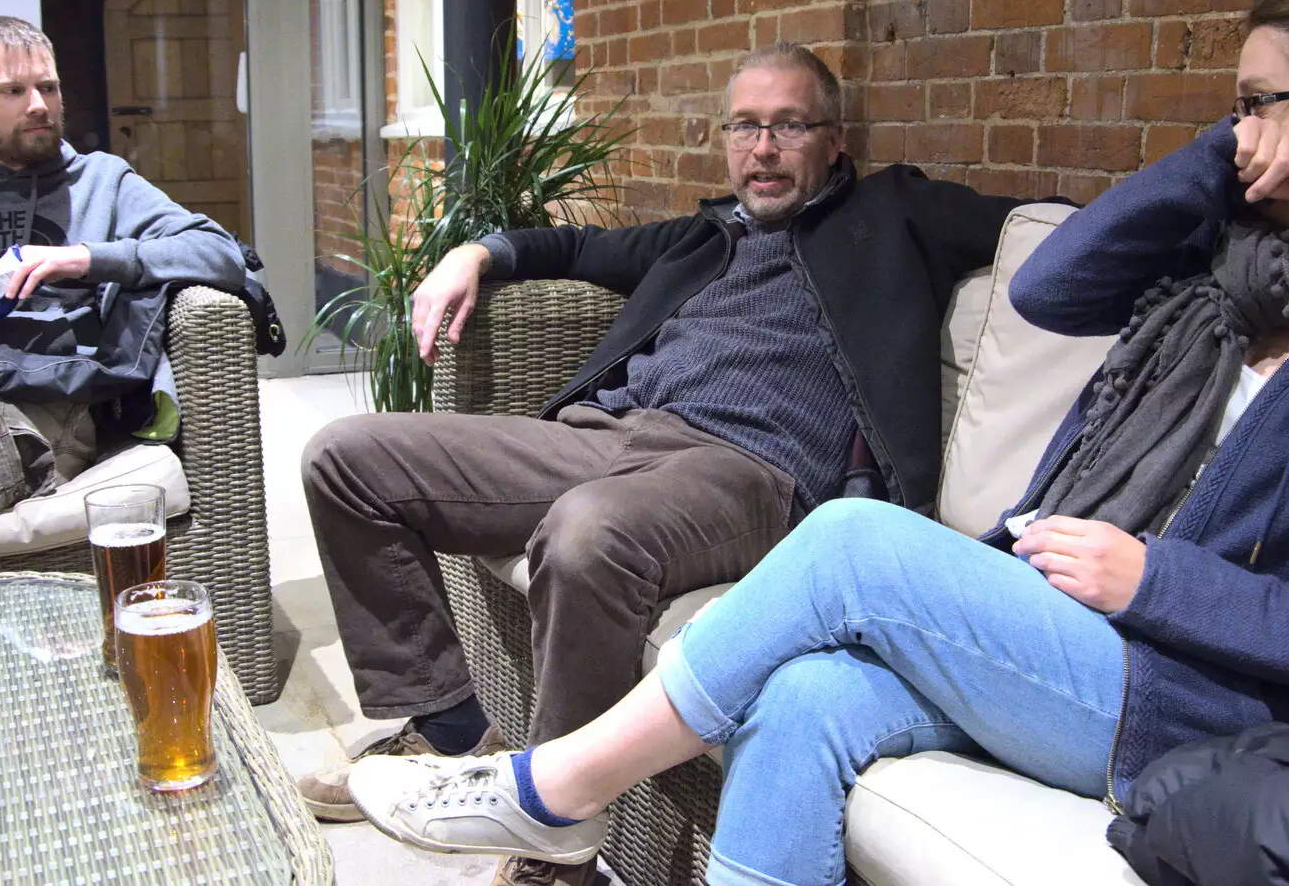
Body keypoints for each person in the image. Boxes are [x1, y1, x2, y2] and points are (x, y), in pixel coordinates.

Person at [351, 0, 1289, 886]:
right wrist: (1221, 149)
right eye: (1233, 108)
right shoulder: (1238, 268)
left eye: (1254, 105)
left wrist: (1161, 579)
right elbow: (1052, 285)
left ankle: (562, 786)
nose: (1239, 129)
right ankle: (543, 779)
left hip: (1195, 686)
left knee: (855, 543)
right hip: (1067, 623)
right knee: (804, 696)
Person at [296, 43, 1033, 884]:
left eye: (789, 125)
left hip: (752, 471)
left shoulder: (899, 211)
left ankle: (552, 842)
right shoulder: (701, 235)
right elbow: (569, 250)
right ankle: (453, 733)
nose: (763, 148)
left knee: (587, 534)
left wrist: (1211, 191)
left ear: (834, 139)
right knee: (346, 459)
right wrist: (477, 253)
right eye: (746, 126)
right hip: (609, 435)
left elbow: (1052, 225)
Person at [0, 15, 245, 535]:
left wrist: (84, 258)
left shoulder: (103, 183)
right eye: (13, 91)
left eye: (47, 87)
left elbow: (221, 254)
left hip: (28, 395)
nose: (38, 105)